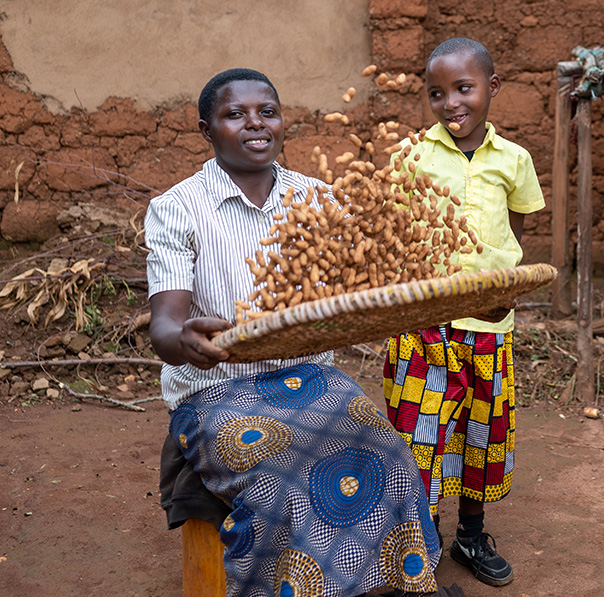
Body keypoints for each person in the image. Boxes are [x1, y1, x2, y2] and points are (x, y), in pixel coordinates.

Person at [146, 67, 460, 597]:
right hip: (217, 389)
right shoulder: (177, 209)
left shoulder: (317, 199)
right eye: (234, 114)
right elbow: (164, 324)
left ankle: (389, 585)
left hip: (308, 375)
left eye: (267, 112)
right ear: (206, 130)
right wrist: (186, 340)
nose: (256, 124)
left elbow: (363, 287)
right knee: (281, 482)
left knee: (392, 456)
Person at [383, 38, 546, 587]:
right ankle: (423, 547)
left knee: (480, 432)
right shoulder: (411, 157)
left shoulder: (514, 161)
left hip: (488, 329)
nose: (451, 102)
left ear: (492, 89)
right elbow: (395, 239)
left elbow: (513, 237)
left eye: (464, 89)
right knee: (421, 438)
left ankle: (470, 535)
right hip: (423, 330)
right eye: (437, 93)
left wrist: (502, 287)